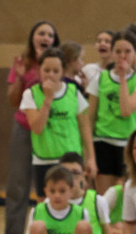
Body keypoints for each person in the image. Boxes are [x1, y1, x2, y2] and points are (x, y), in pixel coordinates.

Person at [4, 20, 59, 234]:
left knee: (54, 183)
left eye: (50, 34)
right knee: (18, 182)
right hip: (24, 128)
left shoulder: (58, 63)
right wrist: (19, 77)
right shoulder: (22, 62)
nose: (45, 37)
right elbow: (12, 100)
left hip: (51, 129)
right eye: (41, 33)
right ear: (32, 37)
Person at [20, 47, 95, 194]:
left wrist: (91, 157)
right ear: (39, 70)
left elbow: (84, 126)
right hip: (44, 160)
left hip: (71, 160)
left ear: (62, 72)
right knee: (46, 206)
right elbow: (37, 128)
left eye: (55, 71)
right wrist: (48, 98)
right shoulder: (31, 94)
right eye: (46, 70)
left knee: (75, 202)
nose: (50, 75)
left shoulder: (73, 92)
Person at [87, 30, 136, 194]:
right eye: (118, 51)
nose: (122, 56)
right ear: (112, 53)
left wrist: (123, 78)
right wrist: (89, 155)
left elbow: (126, 110)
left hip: (130, 145)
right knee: (104, 200)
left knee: (129, 198)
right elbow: (89, 119)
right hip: (103, 143)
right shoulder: (100, 78)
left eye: (127, 51)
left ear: (135, 53)